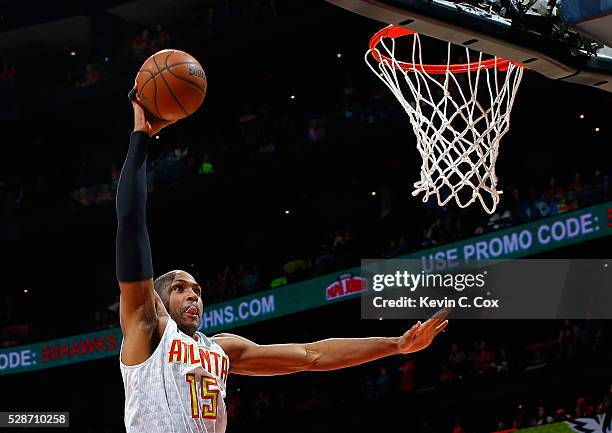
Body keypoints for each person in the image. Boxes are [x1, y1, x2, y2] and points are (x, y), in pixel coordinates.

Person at [116, 90, 450, 433]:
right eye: (180, 288)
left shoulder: (220, 350)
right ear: (156, 300)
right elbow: (131, 224)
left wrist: (396, 345)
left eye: (197, 290)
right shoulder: (148, 329)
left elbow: (311, 356)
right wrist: (140, 138)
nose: (193, 296)